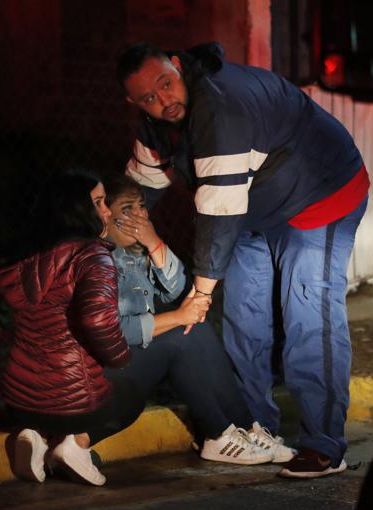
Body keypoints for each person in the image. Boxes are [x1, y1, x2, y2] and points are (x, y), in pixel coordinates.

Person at [116, 42, 369, 478]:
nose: (163, 101)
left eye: (166, 84)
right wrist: (97, 238)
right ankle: (255, 429)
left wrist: (199, 293)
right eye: (149, 99)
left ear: (176, 66)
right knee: (243, 317)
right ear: (133, 103)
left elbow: (217, 216)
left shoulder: (221, 106)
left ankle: (323, 444)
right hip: (255, 206)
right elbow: (137, 193)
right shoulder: (156, 127)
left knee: (308, 312)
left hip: (319, 195)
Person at [100, 173, 294, 464]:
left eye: (142, 207)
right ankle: (217, 435)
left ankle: (245, 428)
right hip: (100, 372)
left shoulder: (133, 254)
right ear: (104, 215)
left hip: (128, 360)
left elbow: (177, 288)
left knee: (196, 331)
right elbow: (115, 332)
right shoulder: (98, 261)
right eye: (128, 210)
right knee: (182, 339)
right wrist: (179, 317)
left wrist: (154, 245)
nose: (140, 217)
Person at [0, 169, 141, 487]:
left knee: (57, 392)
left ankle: (34, 435)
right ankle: (75, 446)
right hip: (73, 404)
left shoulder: (25, 257)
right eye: (99, 203)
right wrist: (120, 357)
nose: (107, 211)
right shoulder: (91, 257)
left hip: (17, 400)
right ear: (75, 208)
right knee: (133, 392)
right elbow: (97, 320)